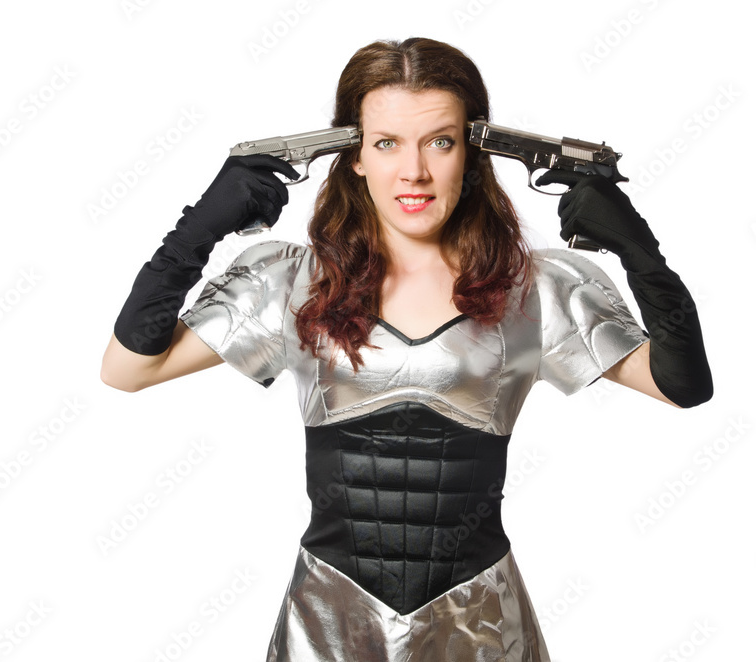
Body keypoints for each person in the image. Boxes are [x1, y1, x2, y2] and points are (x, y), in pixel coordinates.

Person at [101, 37, 712, 662]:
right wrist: (201, 226)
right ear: (355, 155)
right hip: (328, 624)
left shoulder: (536, 289)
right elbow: (128, 369)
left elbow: (682, 385)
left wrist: (638, 248)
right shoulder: (291, 283)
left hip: (481, 625)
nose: (413, 171)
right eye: (387, 142)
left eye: (439, 142)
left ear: (472, 153)